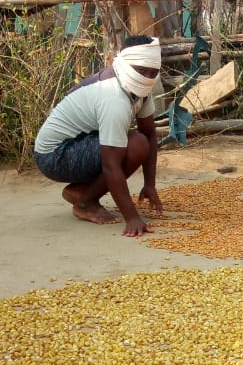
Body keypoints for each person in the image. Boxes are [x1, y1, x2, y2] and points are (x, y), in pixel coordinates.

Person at [34, 35, 165, 237]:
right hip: (54, 155)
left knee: (139, 141)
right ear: (125, 63)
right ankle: (85, 203)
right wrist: (132, 218)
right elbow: (111, 163)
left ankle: (83, 191)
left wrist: (150, 184)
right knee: (135, 145)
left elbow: (150, 133)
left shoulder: (139, 90)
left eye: (153, 72)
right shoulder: (113, 97)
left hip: (78, 143)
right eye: (141, 70)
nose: (147, 77)